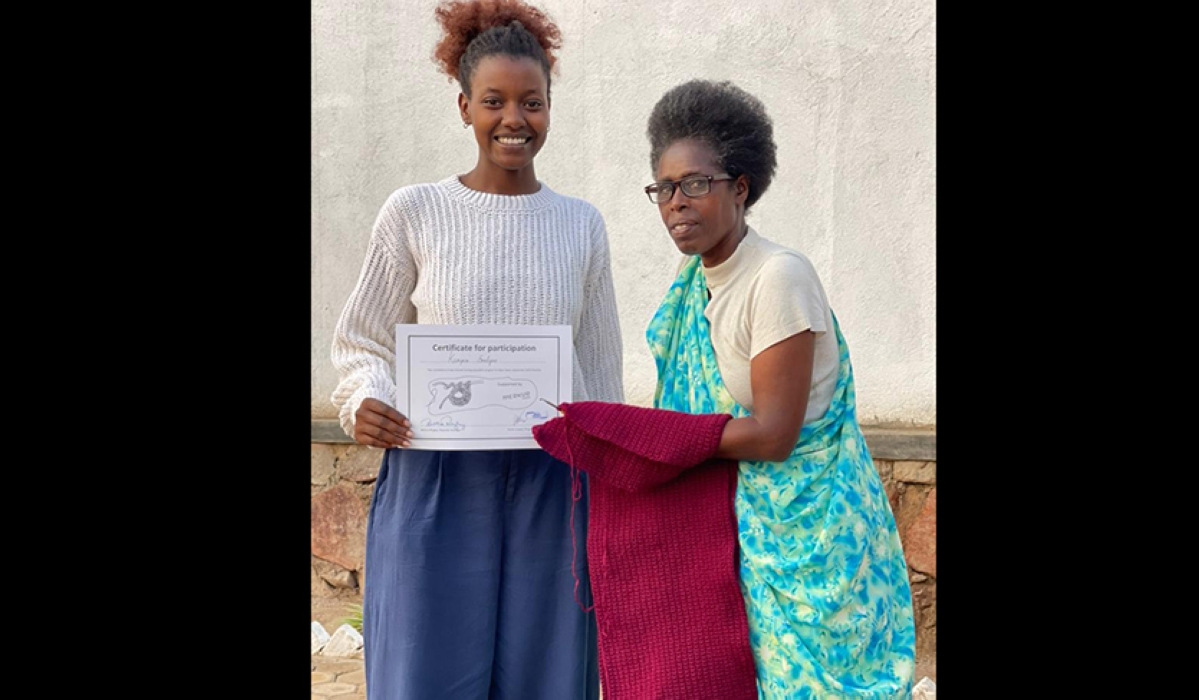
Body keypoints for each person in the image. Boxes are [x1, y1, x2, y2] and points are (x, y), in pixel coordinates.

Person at [329, 1, 622, 697]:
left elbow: (600, 365)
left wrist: (606, 468)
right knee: (424, 667)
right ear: (464, 106)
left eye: (532, 102)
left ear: (550, 108)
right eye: (494, 101)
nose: (513, 119)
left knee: (545, 671)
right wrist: (366, 398)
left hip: (552, 482)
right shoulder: (414, 211)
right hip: (435, 478)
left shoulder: (580, 225)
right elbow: (361, 339)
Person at [640, 79, 917, 698]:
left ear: (740, 187)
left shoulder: (777, 277)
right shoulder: (696, 283)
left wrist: (657, 439)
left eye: (696, 183)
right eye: (664, 188)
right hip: (746, 535)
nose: (676, 203)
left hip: (817, 540)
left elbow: (773, 434)